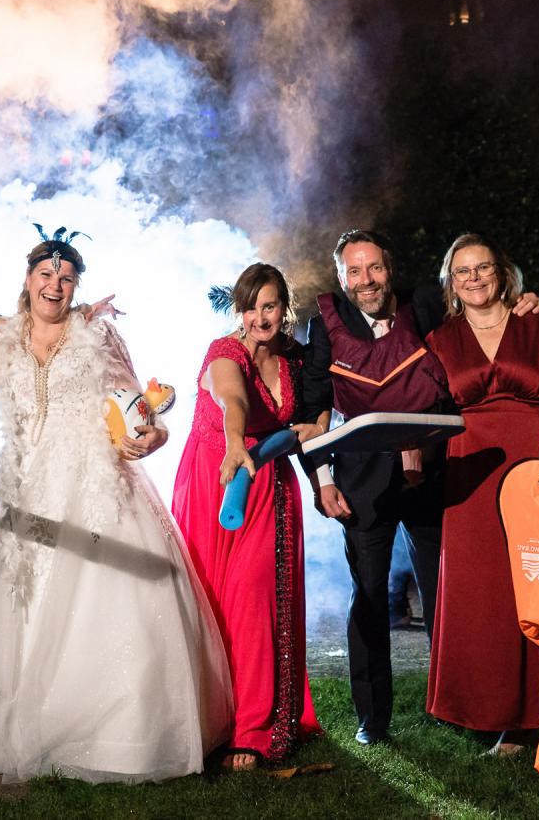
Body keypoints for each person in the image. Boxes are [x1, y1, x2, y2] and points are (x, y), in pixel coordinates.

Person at [0, 231, 233, 782]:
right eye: (45, 274)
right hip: (26, 490)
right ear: (27, 279)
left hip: (97, 488)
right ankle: (21, 722)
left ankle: (113, 734)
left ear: (76, 286)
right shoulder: (2, 334)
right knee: (21, 602)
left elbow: (140, 408)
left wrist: (153, 435)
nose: (55, 285)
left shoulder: (98, 335)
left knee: (107, 606)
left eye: (67, 279)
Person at [296, 229, 539, 746]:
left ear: (391, 269)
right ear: (341, 278)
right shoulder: (325, 326)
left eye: (376, 268)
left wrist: (523, 303)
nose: (367, 281)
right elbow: (312, 409)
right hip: (361, 481)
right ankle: (372, 718)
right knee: (368, 598)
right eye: (355, 272)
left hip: (431, 474)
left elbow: (478, 320)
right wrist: (322, 481)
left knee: (447, 598)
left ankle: (462, 709)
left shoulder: (425, 306)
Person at [423, 232, 539, 788]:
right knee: (493, 604)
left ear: (504, 274)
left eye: (483, 268)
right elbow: (421, 410)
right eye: (461, 272)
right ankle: (516, 723)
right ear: (451, 285)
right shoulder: (439, 340)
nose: (473, 278)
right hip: (472, 484)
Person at [171, 263, 321, 770]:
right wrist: (237, 441)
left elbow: (309, 424)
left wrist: (322, 471)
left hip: (270, 492)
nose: (262, 316)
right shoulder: (224, 352)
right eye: (253, 305)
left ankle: (254, 728)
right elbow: (233, 398)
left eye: (272, 305)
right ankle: (209, 720)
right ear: (239, 311)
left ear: (284, 308)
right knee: (210, 606)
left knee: (254, 602)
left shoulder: (294, 361)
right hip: (215, 486)